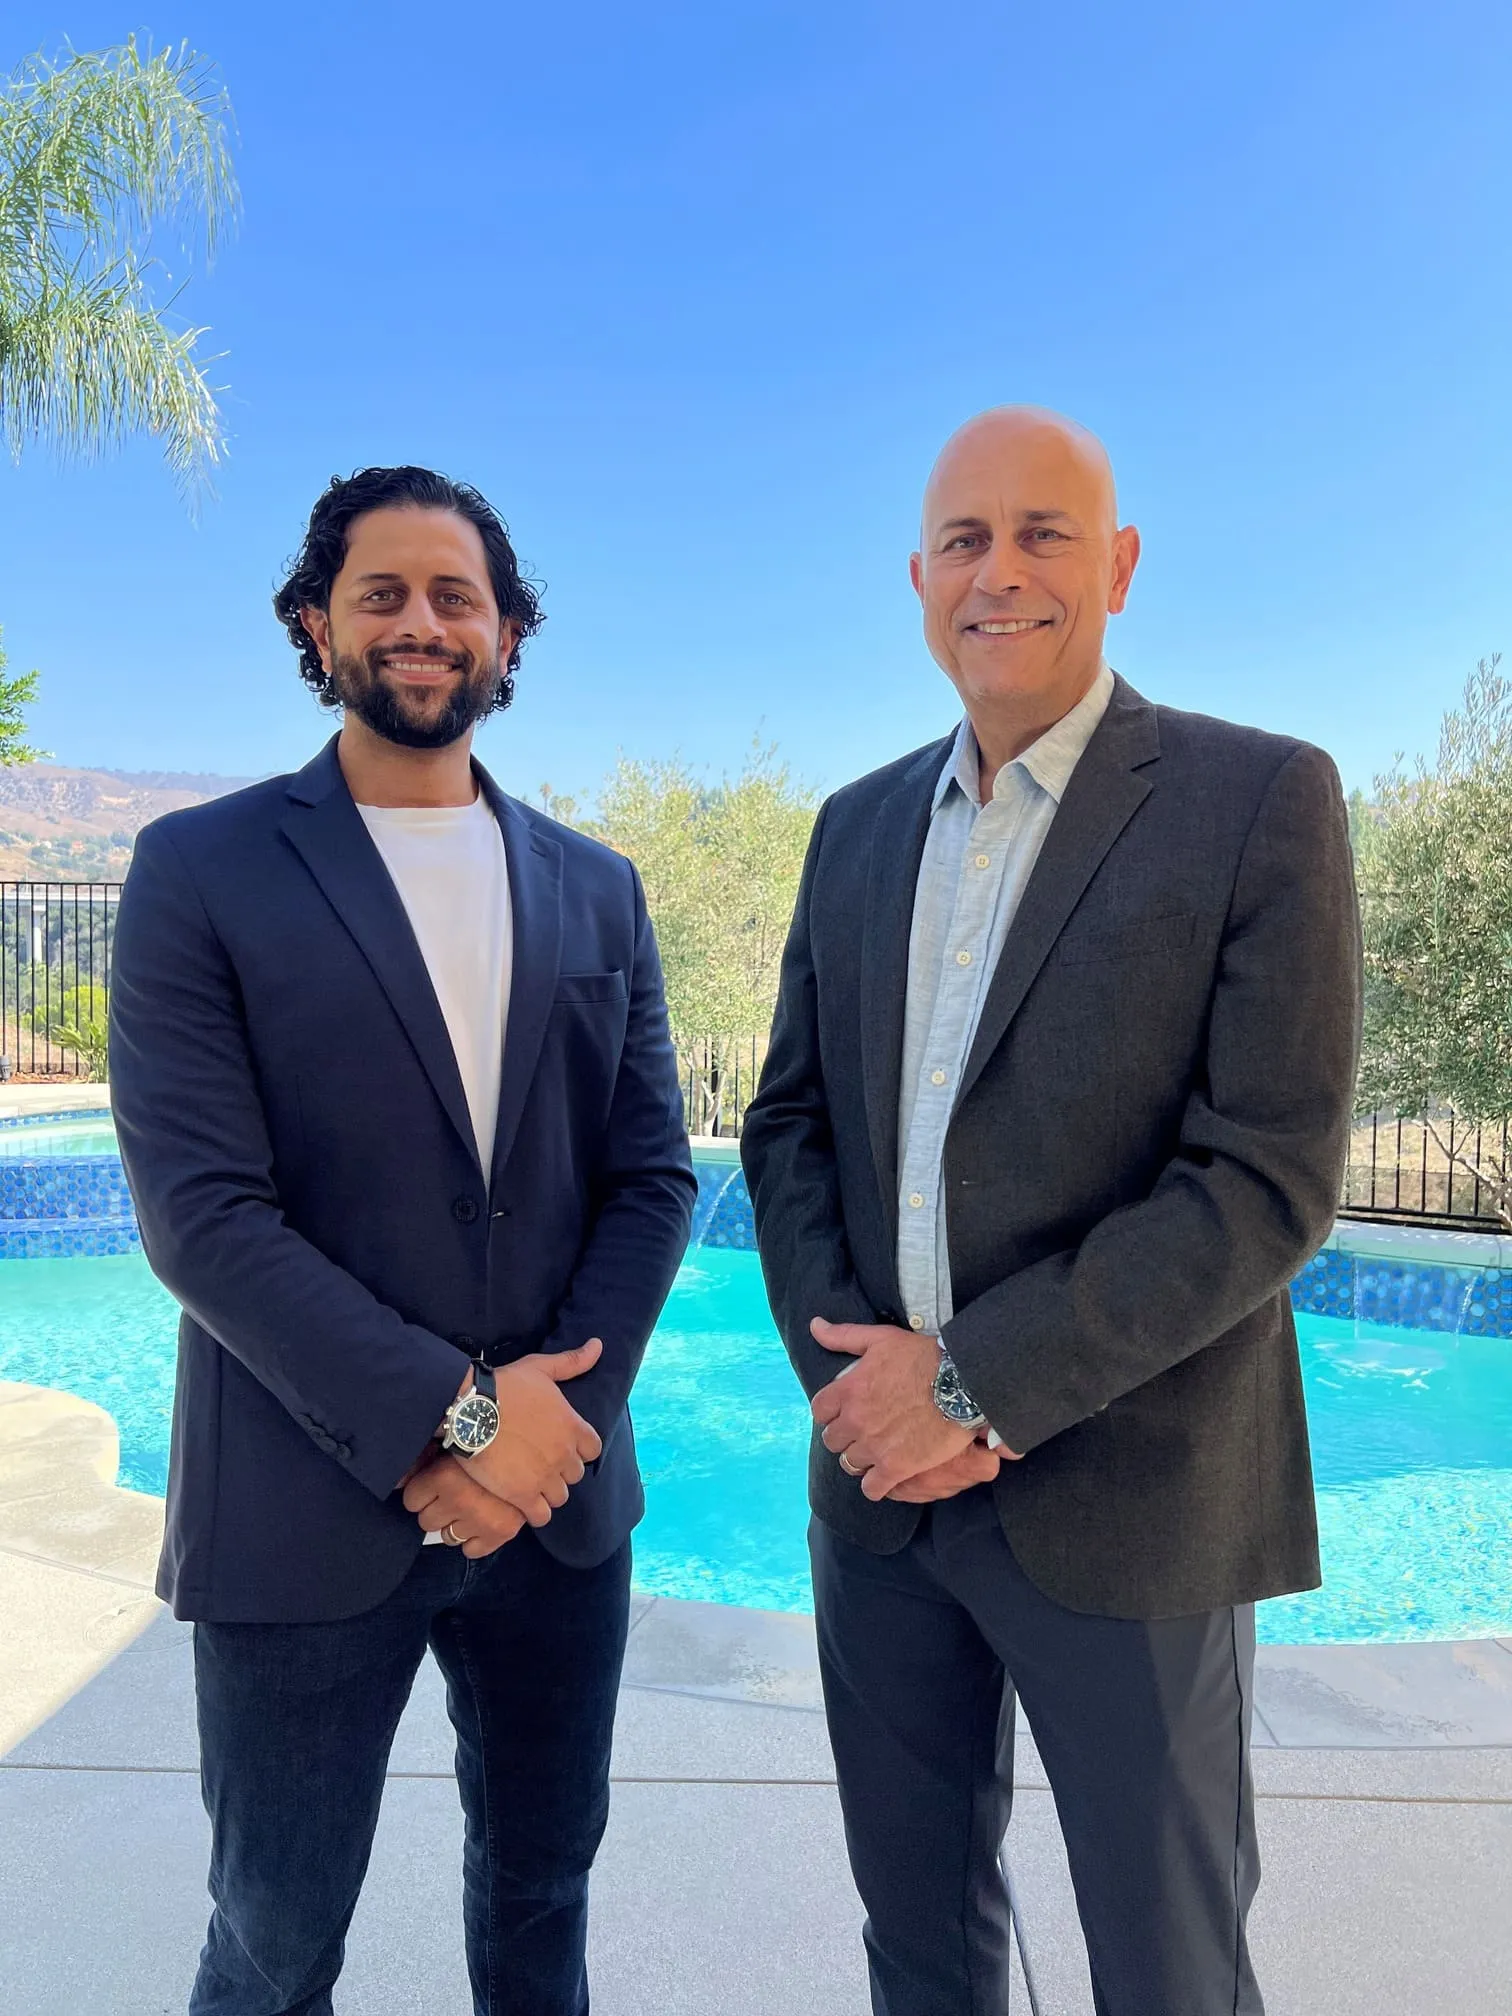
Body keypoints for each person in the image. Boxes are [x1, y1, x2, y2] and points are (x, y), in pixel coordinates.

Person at [740, 407, 1362, 2015]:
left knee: (1168, 1965)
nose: (997, 573)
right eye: (964, 540)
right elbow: (791, 1124)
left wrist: (972, 1386)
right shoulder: (854, 826)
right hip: (881, 1506)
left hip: (1136, 1504)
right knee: (920, 1950)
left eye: (1042, 535)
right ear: (918, 577)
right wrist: (861, 1398)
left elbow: (1267, 1177)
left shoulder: (1258, 799)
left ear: (1121, 566)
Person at [109, 465, 695, 2016]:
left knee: (542, 1898)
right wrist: (460, 1418)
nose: (422, 623)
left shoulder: (599, 889)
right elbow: (199, 1215)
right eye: (384, 593)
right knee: (276, 1939)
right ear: (318, 623)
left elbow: (653, 1179)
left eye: (458, 596)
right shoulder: (200, 871)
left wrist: (550, 1434)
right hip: (303, 1517)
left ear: (509, 634)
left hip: (559, 1522)